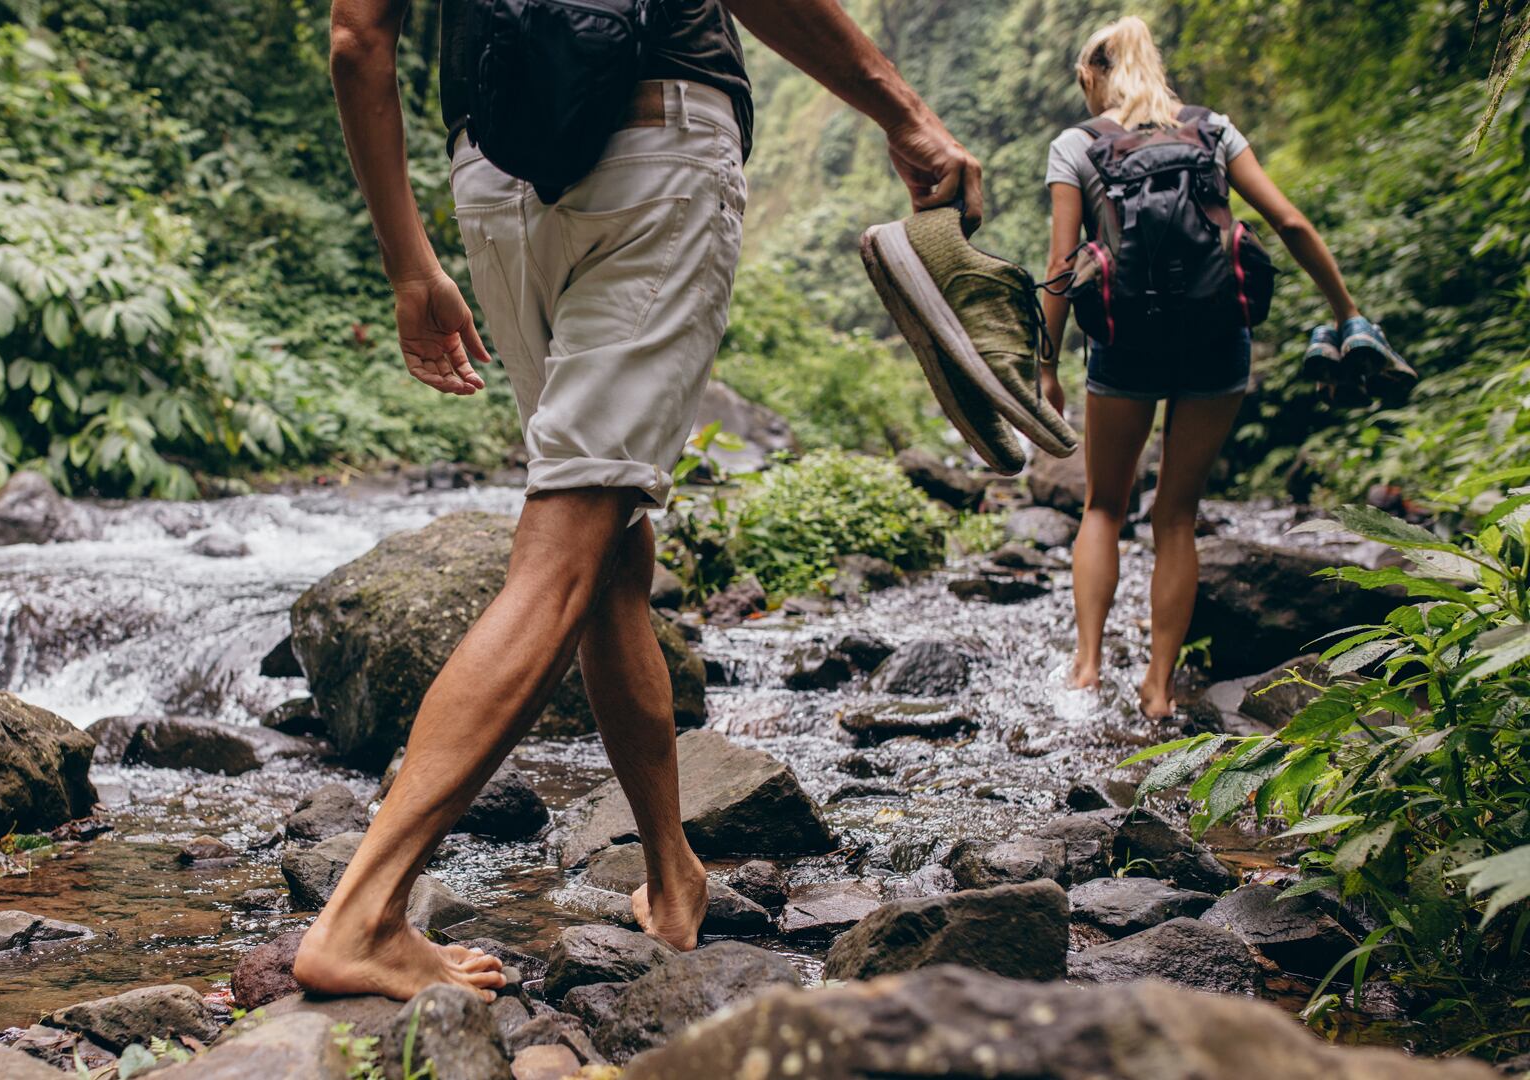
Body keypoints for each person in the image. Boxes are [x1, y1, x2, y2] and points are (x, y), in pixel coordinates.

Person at [294, 0, 982, 1002]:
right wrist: (905, 114)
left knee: (610, 551)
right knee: (566, 548)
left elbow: (360, 37)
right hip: (656, 139)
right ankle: (362, 913)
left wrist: (409, 261)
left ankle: (670, 872)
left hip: (495, 169)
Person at [1039, 16, 1368, 718]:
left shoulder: (1078, 144)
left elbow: (1061, 268)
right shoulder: (1214, 131)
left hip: (1126, 343)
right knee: (1177, 518)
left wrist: (1046, 368)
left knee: (1102, 506)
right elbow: (1291, 223)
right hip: (1218, 340)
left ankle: (1087, 669)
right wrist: (1347, 313)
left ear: (1095, 76)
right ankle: (1158, 689)